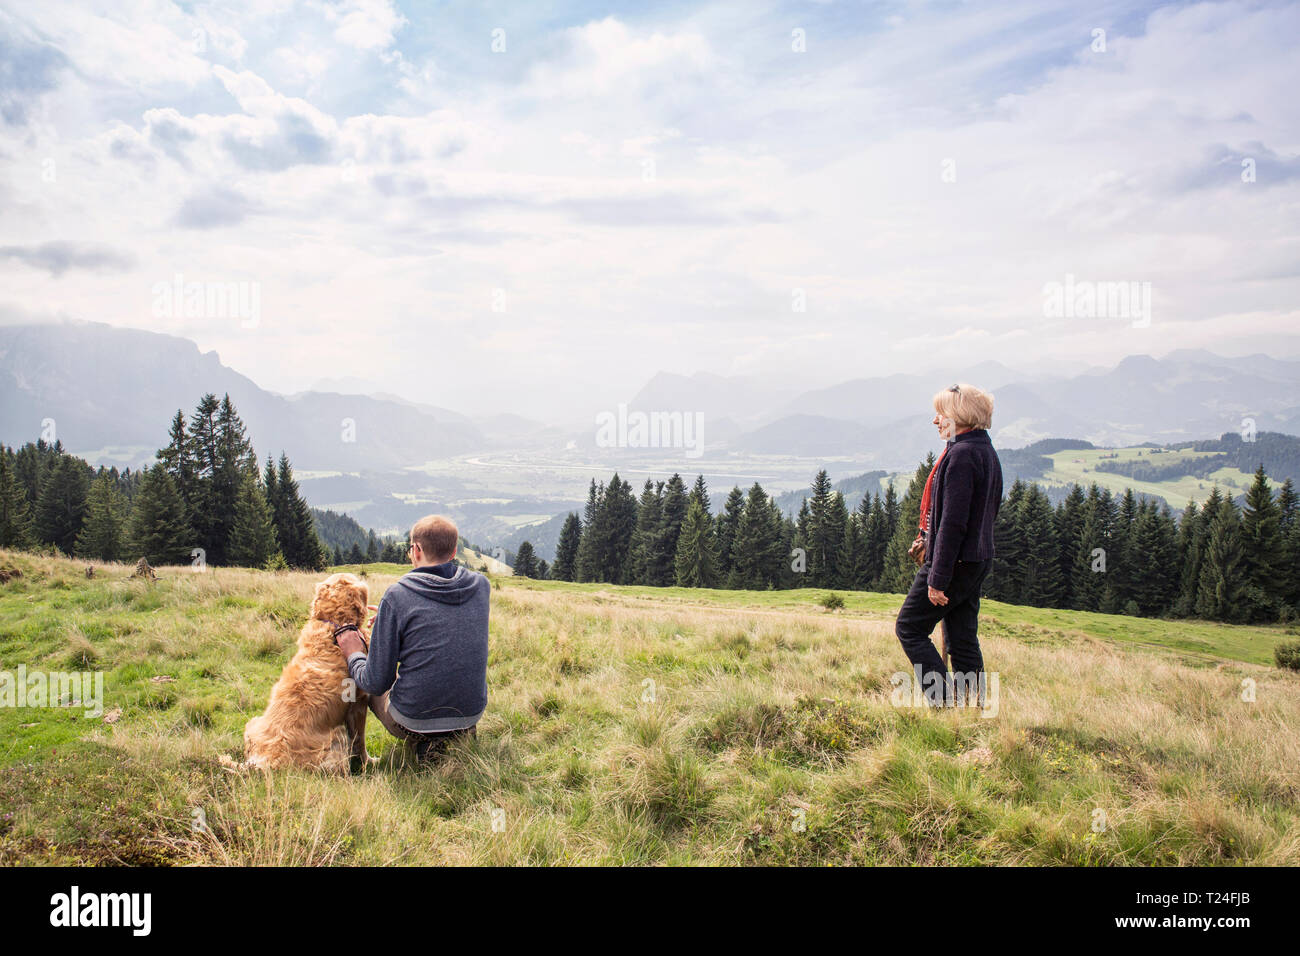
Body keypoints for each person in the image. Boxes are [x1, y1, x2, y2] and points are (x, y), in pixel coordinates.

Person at [335, 514, 489, 758]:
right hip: (470, 712)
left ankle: (351, 754)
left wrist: (353, 652)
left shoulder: (398, 596)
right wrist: (390, 620)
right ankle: (454, 735)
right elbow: (445, 624)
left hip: (411, 720)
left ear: (416, 550)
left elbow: (375, 681)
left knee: (351, 679)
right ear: (454, 552)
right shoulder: (481, 585)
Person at [895, 384, 1002, 706]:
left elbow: (954, 524)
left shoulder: (961, 455)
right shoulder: (984, 450)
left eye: (941, 413)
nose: (935, 420)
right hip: (976, 559)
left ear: (960, 416)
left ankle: (944, 702)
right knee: (962, 635)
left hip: (953, 562)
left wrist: (937, 578)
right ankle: (974, 704)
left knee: (910, 628)